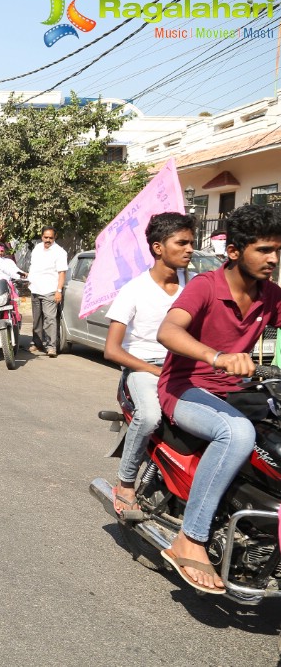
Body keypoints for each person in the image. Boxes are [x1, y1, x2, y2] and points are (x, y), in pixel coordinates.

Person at [154, 204, 281, 594]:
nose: (273, 259)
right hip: (184, 386)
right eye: (263, 250)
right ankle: (190, 538)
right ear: (234, 252)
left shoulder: (271, 295)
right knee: (238, 434)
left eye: (277, 250)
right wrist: (217, 356)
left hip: (235, 391)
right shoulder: (205, 286)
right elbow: (167, 331)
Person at [103, 213, 195, 520]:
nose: (190, 249)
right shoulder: (134, 289)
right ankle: (126, 482)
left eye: (191, 242)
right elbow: (112, 350)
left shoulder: (193, 287)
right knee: (150, 415)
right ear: (158, 247)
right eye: (181, 242)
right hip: (144, 370)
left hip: (186, 369)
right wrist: (154, 370)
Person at [28, 226, 68, 357]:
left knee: (50, 319)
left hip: (50, 290)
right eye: (46, 237)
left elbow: (62, 273)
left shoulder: (59, 252)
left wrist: (58, 290)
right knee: (37, 319)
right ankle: (37, 343)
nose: (48, 240)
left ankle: (51, 347)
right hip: (35, 288)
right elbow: (33, 267)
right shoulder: (37, 248)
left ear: (54, 237)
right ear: (42, 236)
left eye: (51, 238)